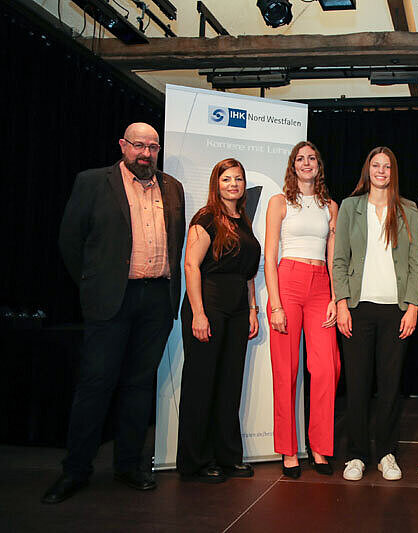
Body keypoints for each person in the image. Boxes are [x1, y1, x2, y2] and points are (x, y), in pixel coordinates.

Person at [44, 123, 185, 504]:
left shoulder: (172, 187)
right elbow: (70, 240)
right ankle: (75, 470)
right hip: (111, 298)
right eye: (139, 145)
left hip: (156, 297)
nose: (146, 153)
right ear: (123, 145)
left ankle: (128, 465)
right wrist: (94, 284)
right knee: (95, 385)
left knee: (140, 386)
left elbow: (177, 242)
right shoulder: (93, 182)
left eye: (153, 147)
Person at [332, 147, 418, 482]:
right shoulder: (350, 207)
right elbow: (339, 259)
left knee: (389, 386)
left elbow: (416, 262)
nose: (381, 170)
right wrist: (342, 302)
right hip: (357, 309)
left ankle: (386, 453)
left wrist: (413, 306)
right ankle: (356, 454)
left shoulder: (408, 210)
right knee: (356, 386)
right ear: (367, 169)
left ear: (393, 172)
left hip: (395, 310)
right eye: (376, 165)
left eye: (387, 166)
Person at [176, 159, 261, 483]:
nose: (234, 184)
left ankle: (228, 457)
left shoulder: (244, 220)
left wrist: (253, 309)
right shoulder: (206, 218)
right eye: (227, 179)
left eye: (239, 179)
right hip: (208, 306)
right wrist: (198, 313)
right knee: (202, 386)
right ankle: (195, 462)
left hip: (238, 309)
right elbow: (191, 266)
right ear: (217, 183)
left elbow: (249, 273)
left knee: (228, 387)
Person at [264, 141, 339, 478]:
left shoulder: (329, 205)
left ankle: (320, 447)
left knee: (326, 369)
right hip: (288, 281)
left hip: (321, 285)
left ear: (319, 165)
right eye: (300, 159)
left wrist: (336, 298)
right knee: (286, 370)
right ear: (292, 166)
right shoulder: (279, 202)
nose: (306, 163)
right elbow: (269, 256)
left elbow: (333, 256)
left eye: (312, 158)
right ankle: (288, 450)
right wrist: (276, 304)